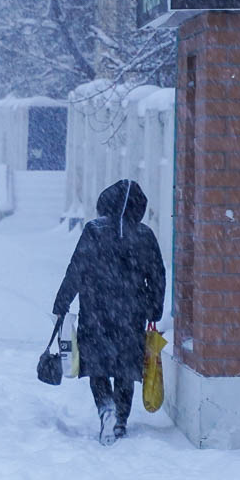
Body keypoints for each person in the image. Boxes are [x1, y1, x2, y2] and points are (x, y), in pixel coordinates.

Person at [52, 179, 165, 446]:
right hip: (131, 313)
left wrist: (62, 302)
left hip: (96, 312)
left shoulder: (93, 230)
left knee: (97, 366)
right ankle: (121, 421)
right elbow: (157, 275)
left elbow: (76, 268)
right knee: (126, 368)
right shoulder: (145, 235)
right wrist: (154, 309)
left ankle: (106, 408)